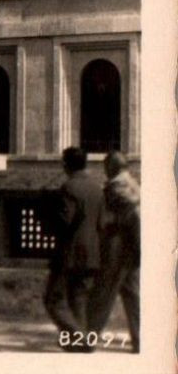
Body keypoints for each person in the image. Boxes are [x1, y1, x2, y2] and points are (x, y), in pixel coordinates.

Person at [43, 146, 102, 343]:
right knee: (78, 299)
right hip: (93, 252)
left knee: (53, 299)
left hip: (70, 253)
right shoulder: (97, 187)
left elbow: (64, 221)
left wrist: (46, 211)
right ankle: (76, 343)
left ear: (66, 164)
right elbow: (102, 222)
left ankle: (80, 338)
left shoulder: (69, 188)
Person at [88, 151, 139, 350]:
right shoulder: (133, 184)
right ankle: (140, 340)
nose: (104, 171)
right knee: (132, 296)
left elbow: (130, 215)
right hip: (131, 250)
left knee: (102, 295)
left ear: (112, 167)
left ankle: (87, 338)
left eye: (106, 167)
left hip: (117, 250)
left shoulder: (117, 187)